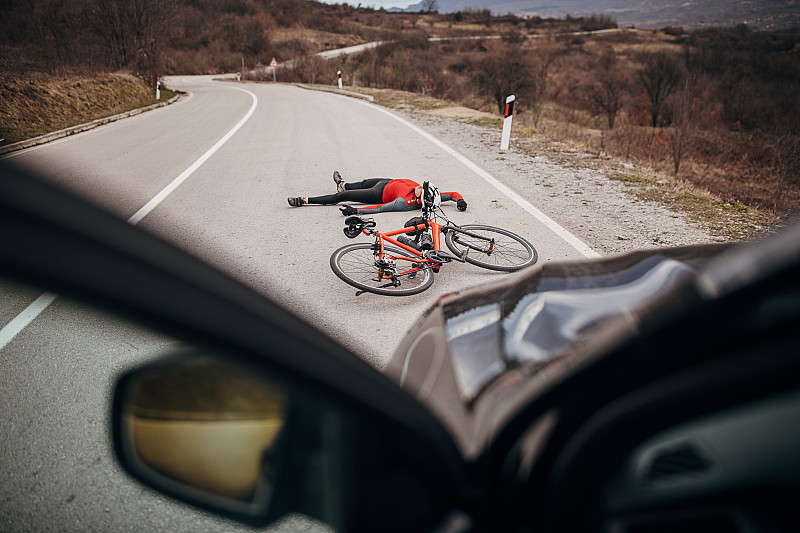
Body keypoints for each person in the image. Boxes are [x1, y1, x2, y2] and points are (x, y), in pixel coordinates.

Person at [288, 171, 467, 215]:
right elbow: (452, 194)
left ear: (422, 199)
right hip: (387, 181)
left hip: (377, 193)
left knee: (344, 197)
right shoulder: (432, 195)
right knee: (360, 183)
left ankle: (304, 200)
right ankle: (343, 183)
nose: (421, 185)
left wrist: (357, 211)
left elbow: (380, 208)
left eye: (423, 188)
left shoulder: (404, 203)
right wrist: (460, 201)